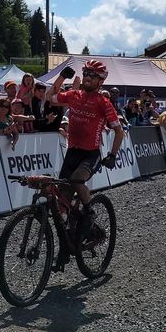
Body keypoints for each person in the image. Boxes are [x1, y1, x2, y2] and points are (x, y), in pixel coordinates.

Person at [48, 60, 123, 269]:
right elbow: (49, 98)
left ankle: (89, 210)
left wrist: (113, 155)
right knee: (61, 205)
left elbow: (119, 131)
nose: (88, 77)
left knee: (76, 179)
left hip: (91, 154)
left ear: (101, 80)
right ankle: (64, 251)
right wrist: (63, 76)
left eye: (93, 75)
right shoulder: (74, 96)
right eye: (86, 73)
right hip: (72, 153)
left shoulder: (103, 102)